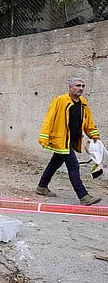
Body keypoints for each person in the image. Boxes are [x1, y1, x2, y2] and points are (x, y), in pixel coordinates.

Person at [36, 77, 101, 205]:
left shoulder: (83, 103)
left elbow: (88, 122)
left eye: (83, 86)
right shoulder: (60, 101)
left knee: (55, 163)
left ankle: (42, 187)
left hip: (72, 140)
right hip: (61, 141)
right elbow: (49, 119)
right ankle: (83, 196)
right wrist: (44, 136)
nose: (81, 88)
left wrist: (93, 135)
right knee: (74, 166)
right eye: (78, 85)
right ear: (70, 87)